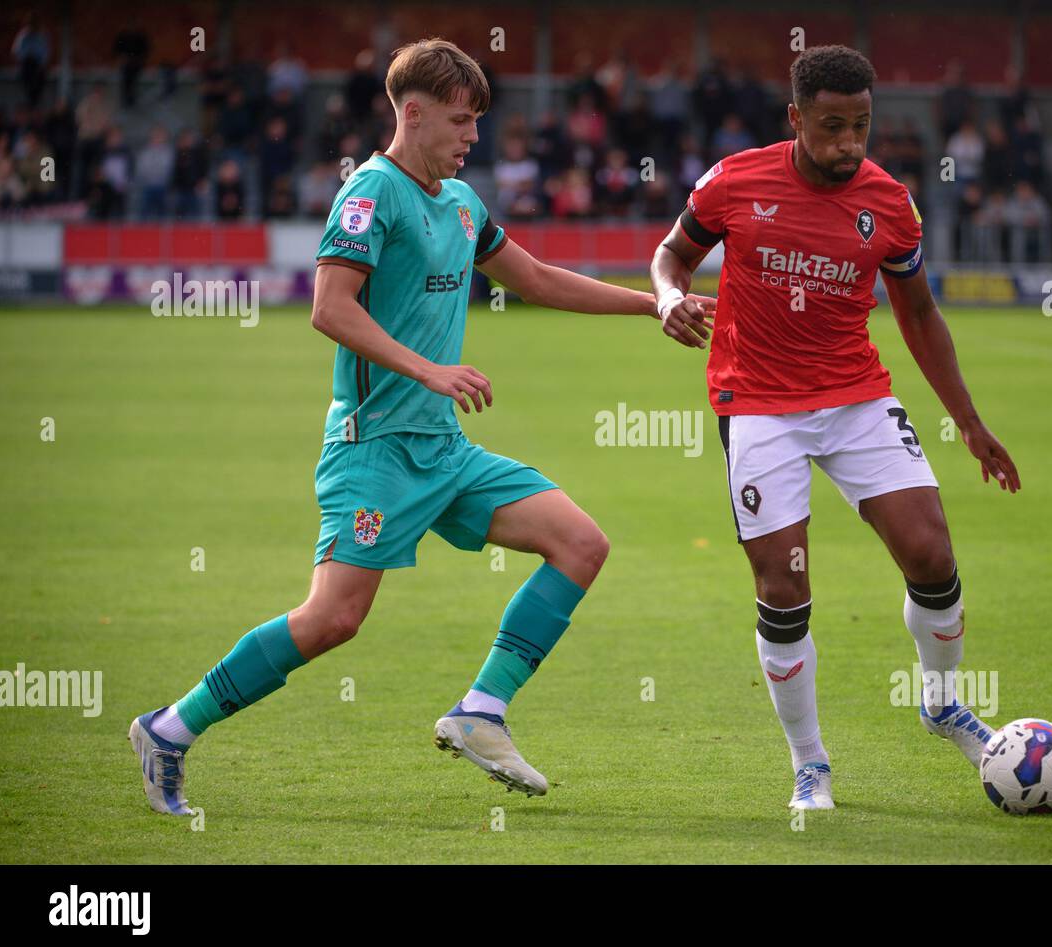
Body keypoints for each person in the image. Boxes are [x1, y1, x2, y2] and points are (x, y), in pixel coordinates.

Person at [128, 38, 712, 816]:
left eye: (477, 122)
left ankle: (481, 710)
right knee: (334, 618)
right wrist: (430, 369)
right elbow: (329, 309)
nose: (475, 138)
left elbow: (533, 279)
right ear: (414, 113)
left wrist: (654, 303)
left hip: (444, 450)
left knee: (580, 542)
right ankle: (169, 728)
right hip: (373, 452)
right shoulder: (369, 193)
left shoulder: (462, 203)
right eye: (462, 121)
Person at [651, 45, 1020, 811]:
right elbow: (670, 256)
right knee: (784, 589)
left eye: (861, 126)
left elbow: (919, 314)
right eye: (831, 127)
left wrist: (970, 423)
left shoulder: (889, 203)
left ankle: (943, 701)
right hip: (756, 405)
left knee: (932, 551)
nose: (849, 142)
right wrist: (665, 298)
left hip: (855, 398)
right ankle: (810, 761)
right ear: (796, 118)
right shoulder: (734, 180)